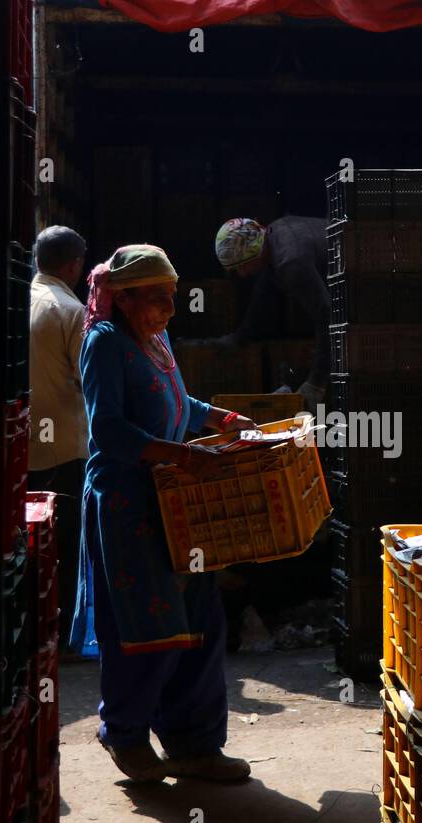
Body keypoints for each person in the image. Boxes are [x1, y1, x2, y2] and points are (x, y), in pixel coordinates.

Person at [69, 243, 258, 784]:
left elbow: (178, 402)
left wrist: (219, 417)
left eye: (173, 297)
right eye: (159, 298)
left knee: (200, 620)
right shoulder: (103, 343)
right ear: (125, 299)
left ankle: (194, 742)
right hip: (128, 504)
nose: (171, 308)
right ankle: (124, 733)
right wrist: (180, 453)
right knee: (146, 625)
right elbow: (107, 430)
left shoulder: (158, 338)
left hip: (178, 500)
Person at [27, 225, 89, 650]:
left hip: (22, 449)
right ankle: (67, 638)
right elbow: (90, 381)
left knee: (31, 547)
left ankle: (33, 633)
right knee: (68, 546)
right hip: (66, 449)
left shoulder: (18, 301)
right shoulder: (71, 310)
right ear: (73, 266)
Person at [212, 216, 331, 407]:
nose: (242, 274)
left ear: (253, 252)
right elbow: (262, 295)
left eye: (240, 266)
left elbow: (327, 317)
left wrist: (316, 383)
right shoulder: (276, 231)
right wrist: (239, 337)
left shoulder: (291, 262)